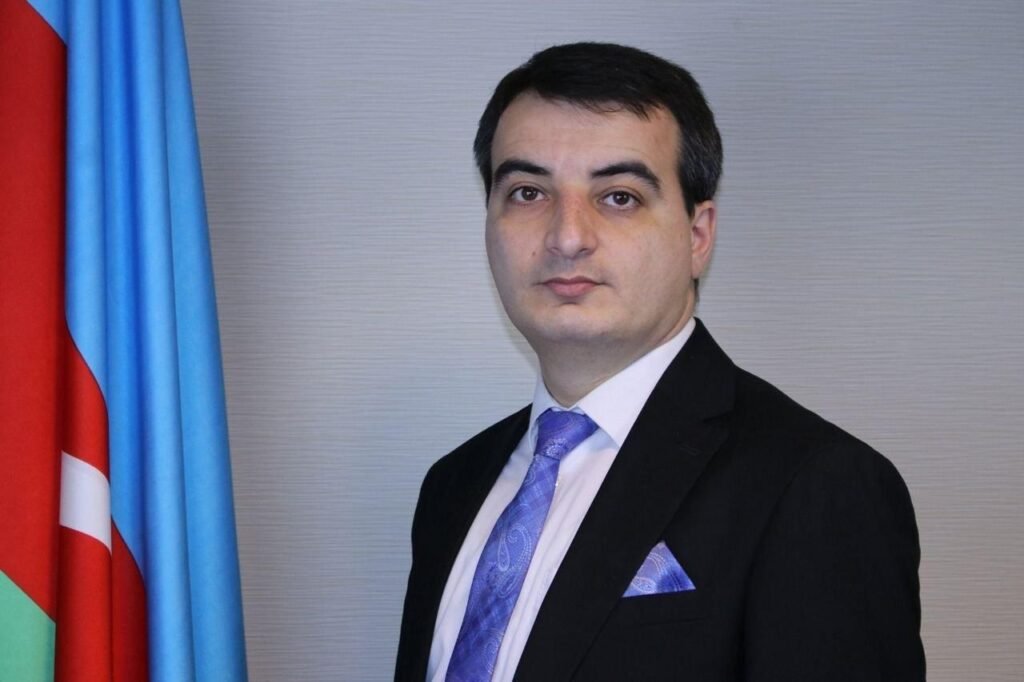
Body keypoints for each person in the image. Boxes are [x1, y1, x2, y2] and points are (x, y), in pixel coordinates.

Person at [395, 42, 924, 681]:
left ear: (698, 236)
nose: (567, 236)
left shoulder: (815, 486)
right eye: (529, 192)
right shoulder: (453, 487)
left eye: (618, 196)